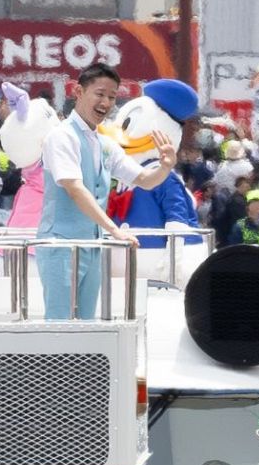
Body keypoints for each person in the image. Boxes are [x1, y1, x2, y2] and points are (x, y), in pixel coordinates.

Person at [36, 63, 172, 320]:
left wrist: (165, 166)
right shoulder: (62, 136)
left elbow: (144, 180)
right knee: (59, 321)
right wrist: (114, 230)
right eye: (100, 94)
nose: (106, 103)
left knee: (87, 321)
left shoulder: (105, 144)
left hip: (92, 245)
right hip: (61, 245)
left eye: (112, 96)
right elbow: (75, 189)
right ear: (79, 91)